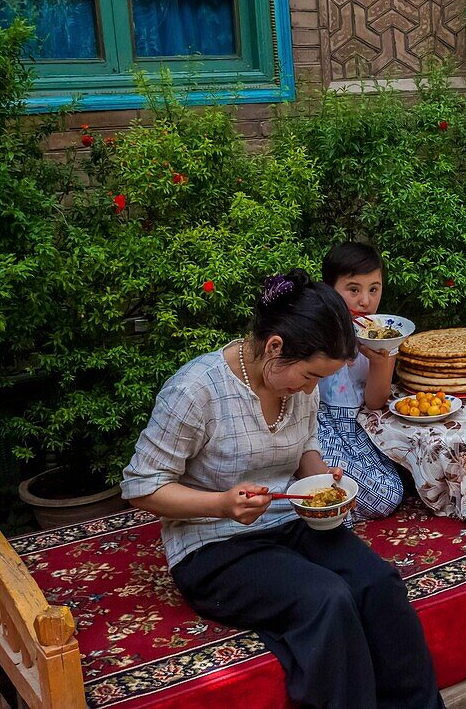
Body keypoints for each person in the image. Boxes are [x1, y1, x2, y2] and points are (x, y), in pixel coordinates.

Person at [121, 270, 444, 709]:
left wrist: (322, 478)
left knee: (378, 583)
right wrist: (221, 505)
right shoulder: (195, 391)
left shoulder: (297, 384)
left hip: (289, 520)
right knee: (326, 600)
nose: (313, 388)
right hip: (213, 545)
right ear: (275, 347)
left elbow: (304, 444)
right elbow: (141, 488)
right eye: (310, 376)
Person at [318, 242, 405, 520]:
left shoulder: (382, 334)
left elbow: (375, 401)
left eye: (374, 289)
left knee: (393, 489)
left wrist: (381, 360)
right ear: (329, 288)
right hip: (317, 426)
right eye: (353, 289)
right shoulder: (314, 330)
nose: (365, 301)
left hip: (357, 428)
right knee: (372, 495)